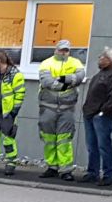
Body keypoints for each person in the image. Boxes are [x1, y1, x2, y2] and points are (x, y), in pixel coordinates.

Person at [37, 39, 86, 180]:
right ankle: (52, 166)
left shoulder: (75, 62)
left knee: (65, 139)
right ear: (55, 50)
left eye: (66, 50)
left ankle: (65, 170)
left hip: (67, 108)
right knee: (49, 138)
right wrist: (69, 83)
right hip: (48, 107)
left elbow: (80, 77)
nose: (64, 52)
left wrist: (61, 79)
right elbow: (47, 82)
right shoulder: (46, 63)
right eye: (61, 50)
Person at [79, 47, 112, 185]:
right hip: (90, 113)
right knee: (92, 145)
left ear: (110, 60)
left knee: (103, 146)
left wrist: (102, 113)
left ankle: (108, 174)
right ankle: (92, 172)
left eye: (102, 57)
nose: (99, 59)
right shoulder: (102, 73)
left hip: (101, 117)